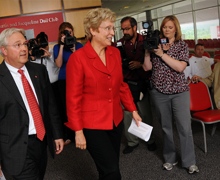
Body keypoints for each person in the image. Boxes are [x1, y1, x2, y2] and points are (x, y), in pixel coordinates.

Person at [65, 8, 142, 180]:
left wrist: (133, 110)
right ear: (92, 30)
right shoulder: (78, 59)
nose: (112, 33)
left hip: (115, 120)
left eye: (113, 29)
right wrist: (78, 131)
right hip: (92, 125)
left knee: (108, 167)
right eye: (107, 28)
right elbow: (73, 99)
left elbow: (121, 85)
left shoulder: (114, 53)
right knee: (112, 171)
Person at [0, 28, 64, 180]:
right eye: (17, 45)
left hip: (40, 142)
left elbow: (50, 106)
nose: (24, 48)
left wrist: (57, 134)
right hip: (14, 148)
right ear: (4, 50)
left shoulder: (39, 70)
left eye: (24, 43)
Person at [142, 15, 199, 174]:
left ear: (176, 29)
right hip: (159, 92)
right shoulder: (156, 45)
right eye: (164, 27)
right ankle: (170, 158)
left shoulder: (181, 45)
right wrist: (147, 52)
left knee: (184, 127)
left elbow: (180, 67)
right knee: (166, 128)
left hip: (179, 91)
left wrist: (161, 54)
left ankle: (189, 162)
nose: (166, 30)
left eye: (170, 27)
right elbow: (147, 68)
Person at [116, 16, 156, 154]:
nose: (125, 32)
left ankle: (150, 140)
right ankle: (132, 142)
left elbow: (153, 61)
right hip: (126, 85)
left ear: (134, 27)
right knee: (127, 116)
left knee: (146, 114)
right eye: (123, 29)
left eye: (127, 29)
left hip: (142, 83)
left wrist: (140, 64)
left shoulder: (145, 41)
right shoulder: (119, 44)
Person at [53, 22, 83, 145]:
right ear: (61, 34)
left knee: (80, 106)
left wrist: (74, 49)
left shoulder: (79, 45)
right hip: (64, 80)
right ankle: (70, 135)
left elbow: (82, 63)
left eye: (70, 32)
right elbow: (59, 64)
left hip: (78, 80)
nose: (68, 34)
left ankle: (82, 131)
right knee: (66, 108)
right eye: (65, 32)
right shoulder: (56, 47)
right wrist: (61, 46)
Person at [29, 32, 60, 108]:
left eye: (44, 41)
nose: (43, 44)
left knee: (59, 106)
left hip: (56, 85)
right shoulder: (37, 54)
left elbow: (58, 64)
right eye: (40, 43)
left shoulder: (54, 52)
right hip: (44, 86)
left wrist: (50, 55)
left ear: (48, 41)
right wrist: (33, 58)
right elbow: (34, 69)